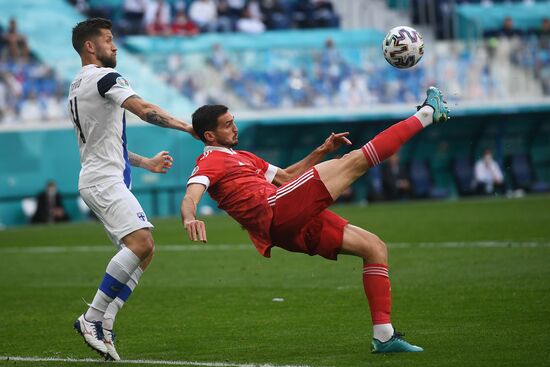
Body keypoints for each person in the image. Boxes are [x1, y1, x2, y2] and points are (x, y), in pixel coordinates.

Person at [181, 86, 450, 353]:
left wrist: (322, 150)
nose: (235, 128)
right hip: (275, 211)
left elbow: (286, 178)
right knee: (354, 161)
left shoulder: (242, 157)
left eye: (234, 122)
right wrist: (190, 218)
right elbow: (192, 194)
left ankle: (384, 336)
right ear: (210, 135)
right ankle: (427, 113)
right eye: (228, 125)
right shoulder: (209, 161)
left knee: (374, 247)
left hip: (285, 221)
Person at [69, 18, 195, 361]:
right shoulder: (105, 77)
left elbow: (106, 145)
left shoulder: (77, 84)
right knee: (141, 242)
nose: (115, 46)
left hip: (99, 176)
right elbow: (144, 109)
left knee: (145, 249)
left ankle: (106, 321)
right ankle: (92, 317)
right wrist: (187, 126)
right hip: (103, 181)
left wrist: (147, 163)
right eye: (108, 40)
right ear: (90, 46)